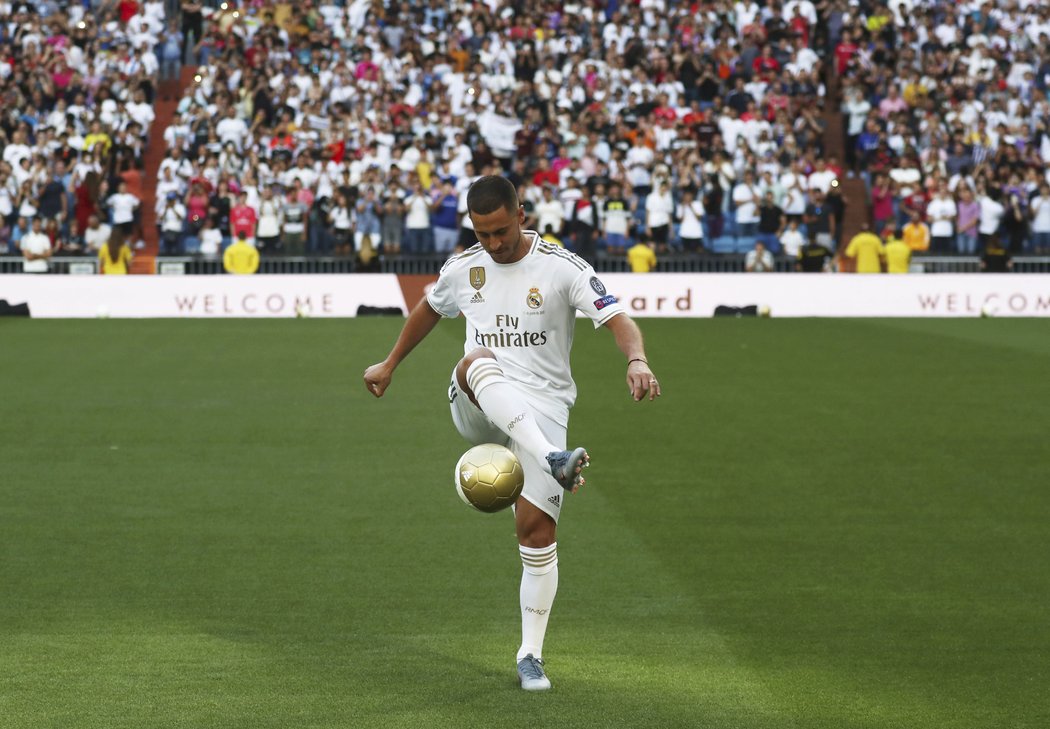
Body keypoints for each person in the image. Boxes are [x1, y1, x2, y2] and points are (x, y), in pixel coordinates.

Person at [363, 176, 660, 693]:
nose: (494, 244)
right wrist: (389, 364)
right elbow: (430, 309)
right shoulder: (464, 268)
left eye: (501, 230)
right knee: (476, 357)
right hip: (478, 400)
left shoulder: (563, 267)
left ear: (521, 213)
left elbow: (617, 318)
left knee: (536, 535)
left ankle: (530, 655)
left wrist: (637, 359)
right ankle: (553, 458)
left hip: (543, 407)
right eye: (483, 234)